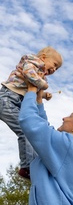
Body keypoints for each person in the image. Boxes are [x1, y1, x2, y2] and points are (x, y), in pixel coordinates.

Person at [0, 46, 63, 179]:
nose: (54, 69)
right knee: (25, 131)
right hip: (7, 99)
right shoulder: (32, 61)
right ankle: (28, 166)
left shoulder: (40, 76)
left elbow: (31, 91)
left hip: (15, 102)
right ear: (44, 58)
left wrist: (44, 95)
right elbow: (29, 74)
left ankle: (32, 163)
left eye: (57, 69)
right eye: (55, 64)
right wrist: (43, 84)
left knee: (28, 131)